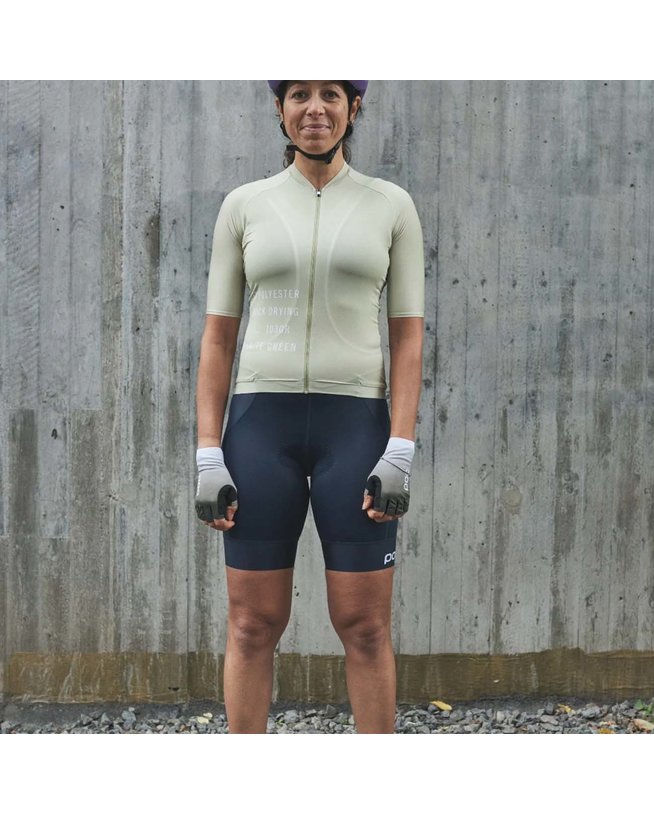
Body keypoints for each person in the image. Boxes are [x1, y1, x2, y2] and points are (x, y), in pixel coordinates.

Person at [195, 80, 425, 733]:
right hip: (257, 429)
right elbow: (218, 338)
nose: (315, 109)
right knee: (251, 623)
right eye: (299, 94)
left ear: (355, 108)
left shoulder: (391, 206)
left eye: (331, 94)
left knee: (365, 625)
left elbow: (408, 338)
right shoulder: (245, 206)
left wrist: (400, 447)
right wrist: (208, 452)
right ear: (279, 109)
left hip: (355, 429)